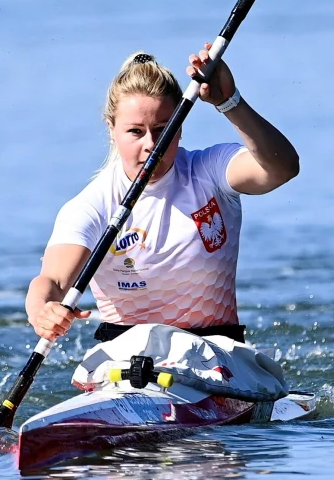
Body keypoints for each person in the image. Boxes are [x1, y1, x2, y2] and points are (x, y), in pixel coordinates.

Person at [26, 44, 299, 345]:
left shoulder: (209, 171)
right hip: (125, 362)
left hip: (217, 356)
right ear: (111, 129)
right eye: (135, 132)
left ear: (179, 128)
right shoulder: (92, 206)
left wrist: (230, 103)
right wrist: (43, 311)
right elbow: (52, 281)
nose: (151, 144)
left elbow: (282, 168)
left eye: (162, 128)